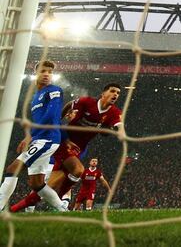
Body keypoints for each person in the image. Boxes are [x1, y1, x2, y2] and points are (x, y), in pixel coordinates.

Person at [9, 83, 122, 212]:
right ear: (103, 93)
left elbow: (117, 126)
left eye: (118, 93)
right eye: (113, 91)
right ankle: (59, 202)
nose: (115, 95)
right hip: (64, 142)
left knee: (49, 185)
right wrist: (60, 119)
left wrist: (118, 133)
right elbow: (70, 104)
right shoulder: (87, 102)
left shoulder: (114, 112)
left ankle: (20, 208)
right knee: (78, 170)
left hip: (80, 149)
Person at [0, 61, 66, 211]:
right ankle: (62, 208)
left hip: (47, 139)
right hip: (41, 139)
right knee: (37, 184)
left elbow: (51, 115)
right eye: (43, 71)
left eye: (50, 72)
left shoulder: (54, 90)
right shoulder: (36, 96)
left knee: (12, 169)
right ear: (36, 73)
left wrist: (31, 136)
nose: (47, 74)